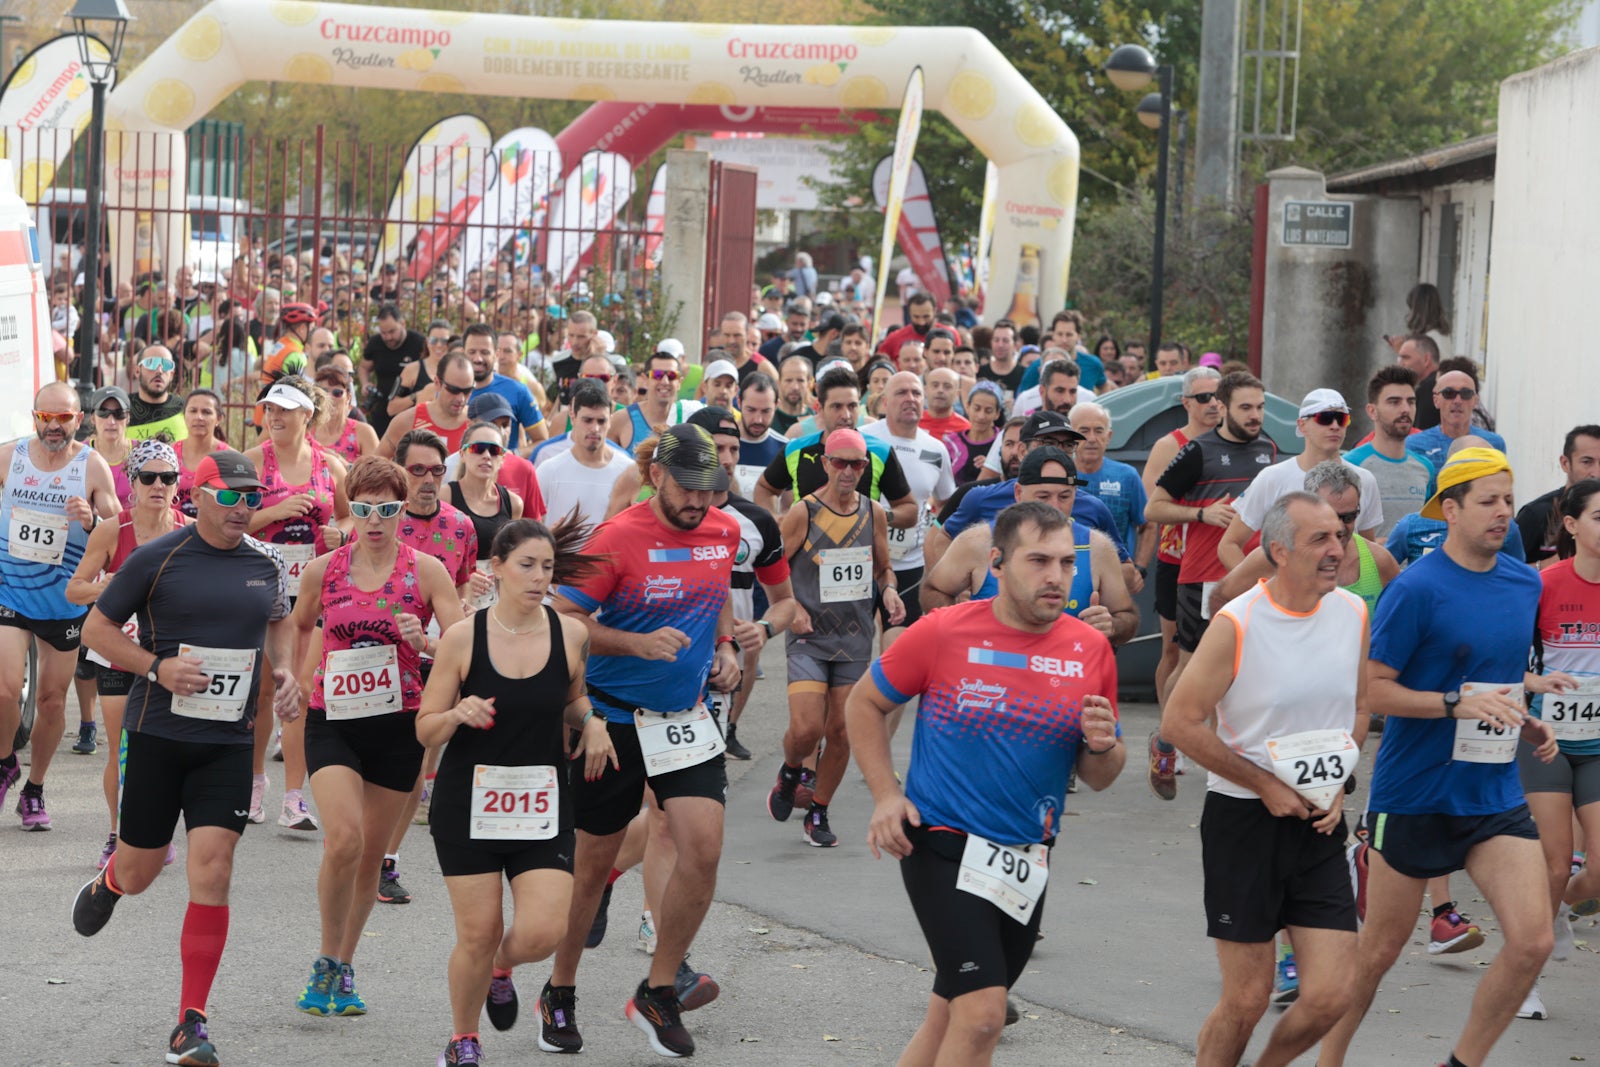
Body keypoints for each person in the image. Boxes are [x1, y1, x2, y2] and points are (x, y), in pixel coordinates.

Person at [846, 501, 1124, 1067]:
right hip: (942, 842)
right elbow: (864, 703)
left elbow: (1099, 775)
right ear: (997, 563)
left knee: (948, 1017)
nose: (1057, 576)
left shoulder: (1089, 648)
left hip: (1025, 856)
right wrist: (886, 795)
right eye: (1039, 561)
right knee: (983, 1017)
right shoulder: (944, 631)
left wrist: (1102, 746)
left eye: (1067, 563)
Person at [1317, 448, 1563, 1066]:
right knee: (1378, 954)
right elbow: (1374, 689)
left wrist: (1523, 717)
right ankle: (1327, 1060)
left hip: (1493, 793)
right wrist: (1455, 704)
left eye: (1508, 500)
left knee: (1533, 940)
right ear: (1449, 510)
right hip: (1415, 794)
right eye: (1488, 501)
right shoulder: (1417, 588)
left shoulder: (1524, 583)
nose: (1503, 512)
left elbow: (1495, 675)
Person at [73, 449, 302, 1067]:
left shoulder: (266, 564)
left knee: (214, 866)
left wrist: (284, 671)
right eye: (228, 496)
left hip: (227, 743)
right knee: (141, 872)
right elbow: (95, 631)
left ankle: (191, 1021)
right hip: (158, 735)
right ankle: (111, 881)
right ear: (196, 497)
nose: (242, 507)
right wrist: (157, 667)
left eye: (250, 497)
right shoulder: (156, 558)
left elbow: (279, 622)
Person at [542, 424, 744, 1058]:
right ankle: (560, 988)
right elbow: (563, 619)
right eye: (687, 488)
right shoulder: (616, 538)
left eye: (708, 489)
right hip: (612, 721)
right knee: (591, 869)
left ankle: (658, 991)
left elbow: (716, 595)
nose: (698, 501)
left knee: (703, 850)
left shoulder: (724, 531)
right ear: (656, 476)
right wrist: (635, 643)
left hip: (684, 719)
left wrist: (727, 646)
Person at [1163, 492, 1367, 1067]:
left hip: (1319, 820)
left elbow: (1358, 707)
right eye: (1320, 539)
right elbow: (1180, 722)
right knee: (1248, 998)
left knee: (1332, 994)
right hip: (1245, 821)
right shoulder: (1239, 621)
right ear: (1279, 551)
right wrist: (1266, 786)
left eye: (1340, 535)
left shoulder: (1353, 612)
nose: (1337, 549)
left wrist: (1339, 779)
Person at [418, 516, 614, 1067]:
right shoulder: (464, 637)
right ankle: (463, 1039)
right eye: (527, 565)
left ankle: (499, 969)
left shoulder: (570, 634)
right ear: (498, 567)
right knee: (477, 933)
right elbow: (425, 728)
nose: (538, 577)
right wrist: (456, 714)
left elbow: (570, 699)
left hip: (541, 805)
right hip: (469, 806)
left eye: (547, 567)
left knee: (544, 932)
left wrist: (591, 721)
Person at [289, 457, 464, 1017]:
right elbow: (301, 626)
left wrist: (425, 642)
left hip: (398, 726)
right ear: (351, 508)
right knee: (344, 839)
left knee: (368, 860)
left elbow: (463, 645)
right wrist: (294, 681)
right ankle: (324, 958)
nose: (373, 521)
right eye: (363, 509)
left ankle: (344, 965)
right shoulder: (324, 570)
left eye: (386, 509)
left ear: (402, 508)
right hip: (333, 721)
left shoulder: (427, 571)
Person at [1144, 372, 1278, 801]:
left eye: (1260, 407)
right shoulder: (1197, 452)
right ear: (1222, 407)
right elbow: (1154, 507)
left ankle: (1227, 765)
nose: (1255, 415)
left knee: (1244, 671)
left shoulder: (1267, 450)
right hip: (1202, 576)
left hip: (1253, 577)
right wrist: (1201, 515)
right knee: (1191, 668)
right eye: (1245, 407)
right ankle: (1166, 742)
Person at [768, 428, 903, 847]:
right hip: (810, 635)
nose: (848, 471)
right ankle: (791, 770)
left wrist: (890, 590)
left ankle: (819, 811)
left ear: (865, 468)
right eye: (840, 462)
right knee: (807, 728)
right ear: (826, 463)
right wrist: (794, 608)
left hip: (854, 636)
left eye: (857, 464)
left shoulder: (873, 512)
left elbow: (883, 567)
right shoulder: (803, 512)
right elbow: (775, 570)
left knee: (842, 731)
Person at [0, 385, 120, 829]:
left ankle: (34, 789)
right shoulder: (9, 457)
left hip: (63, 600)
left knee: (51, 702)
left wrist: (92, 520)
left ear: (78, 419)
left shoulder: (91, 465)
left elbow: (117, 527)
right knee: (4, 691)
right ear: (34, 417)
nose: (53, 426)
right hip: (10, 592)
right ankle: (5, 761)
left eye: (63, 418)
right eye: (45, 417)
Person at [67, 439, 191, 868]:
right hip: (119, 651)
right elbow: (74, 590)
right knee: (123, 746)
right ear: (132, 483)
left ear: (177, 484)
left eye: (167, 478)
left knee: (166, 749)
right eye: (148, 477)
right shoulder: (112, 531)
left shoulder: (190, 531)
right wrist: (108, 587)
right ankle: (117, 833)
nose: (158, 485)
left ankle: (157, 832)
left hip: (170, 656)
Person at [245, 377, 351, 830]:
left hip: (311, 592)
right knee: (263, 692)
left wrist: (340, 533)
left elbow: (349, 515)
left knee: (300, 692)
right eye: (270, 409)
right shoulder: (253, 462)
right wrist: (275, 512)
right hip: (260, 589)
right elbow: (231, 518)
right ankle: (254, 785)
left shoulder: (330, 465)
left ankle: (293, 798)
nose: (274, 417)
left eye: (284, 410)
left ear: (307, 415)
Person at [922, 447, 1139, 646]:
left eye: (1064, 497)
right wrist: (957, 622)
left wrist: (1111, 626)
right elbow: (933, 590)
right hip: (992, 667)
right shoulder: (978, 541)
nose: (1054, 507)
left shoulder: (1098, 547)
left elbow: (1126, 615)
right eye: (1043, 496)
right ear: (1018, 493)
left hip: (1064, 668)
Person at [1525, 478, 1600, 970]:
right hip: (1545, 743)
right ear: (1571, 525)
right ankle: (1527, 975)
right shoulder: (1544, 585)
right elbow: (1504, 662)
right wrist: (1537, 682)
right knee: (1554, 865)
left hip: (1597, 746)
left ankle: (1560, 909)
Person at [1218, 389, 1382, 570]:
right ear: (1302, 425)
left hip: (1344, 586)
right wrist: (1257, 585)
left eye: (1342, 419)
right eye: (1325, 418)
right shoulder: (1272, 477)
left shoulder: (1364, 479)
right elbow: (1229, 545)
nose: (1335, 426)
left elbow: (1366, 550)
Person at [1141, 367, 1224, 708]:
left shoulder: (1236, 445)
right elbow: (1151, 508)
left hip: (1221, 559)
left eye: (1218, 396)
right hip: (1177, 560)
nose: (1213, 403)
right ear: (1186, 403)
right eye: (1204, 397)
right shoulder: (1168, 446)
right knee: (1174, 649)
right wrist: (1201, 512)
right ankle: (1167, 729)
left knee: (1222, 648)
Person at [755, 365, 917, 530]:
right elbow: (764, 488)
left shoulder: (879, 451)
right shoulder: (796, 449)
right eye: (837, 407)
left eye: (852, 406)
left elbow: (909, 510)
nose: (846, 415)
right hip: (804, 546)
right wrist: (773, 519)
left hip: (860, 546)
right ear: (820, 408)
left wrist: (880, 515)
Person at [863, 372, 956, 648]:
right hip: (861, 559)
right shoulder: (863, 439)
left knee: (898, 647)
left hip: (909, 564)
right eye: (901, 392)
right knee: (855, 646)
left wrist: (933, 541)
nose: (910, 398)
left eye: (916, 393)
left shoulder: (935, 449)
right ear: (884, 402)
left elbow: (947, 502)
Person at [1344, 367, 1436, 538]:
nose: (1405, 409)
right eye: (1394, 402)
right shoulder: (1350, 465)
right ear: (1372, 411)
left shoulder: (1425, 468)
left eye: (1411, 402)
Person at [536, 382, 635, 530]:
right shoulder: (549, 470)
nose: (595, 428)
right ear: (573, 418)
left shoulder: (628, 470)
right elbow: (531, 528)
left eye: (601, 421)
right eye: (587, 420)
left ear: (610, 421)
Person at [451, 422, 526, 609]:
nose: (486, 456)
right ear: (462, 454)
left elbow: (512, 557)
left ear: (502, 458)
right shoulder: (446, 497)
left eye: (494, 450)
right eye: (478, 448)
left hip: (496, 604)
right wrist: (463, 577)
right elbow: (429, 553)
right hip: (454, 600)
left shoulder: (513, 503)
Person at [1070, 400, 1151, 566]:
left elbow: (1148, 525)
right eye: (1084, 431)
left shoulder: (1126, 476)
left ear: (1109, 436)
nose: (1091, 438)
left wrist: (1139, 568)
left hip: (1115, 572)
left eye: (1099, 431)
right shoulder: (1058, 475)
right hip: (1069, 571)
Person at [1515, 425, 1600, 565]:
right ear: (1565, 463)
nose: (1596, 473)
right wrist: (1550, 565)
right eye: (1587, 462)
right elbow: (1505, 571)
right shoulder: (1536, 514)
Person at [463, 323, 547, 451]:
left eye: (485, 352)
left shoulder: (518, 391)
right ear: (463, 353)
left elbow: (542, 440)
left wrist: (513, 455)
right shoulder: (449, 389)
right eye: (472, 352)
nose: (477, 358)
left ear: (496, 354)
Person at [1407, 361, 1504, 470]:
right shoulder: (1414, 445)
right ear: (1436, 400)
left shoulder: (1494, 443)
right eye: (1449, 393)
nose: (1457, 401)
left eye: (1466, 393)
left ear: (1475, 401)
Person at [379, 351, 476, 458]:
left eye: (467, 391)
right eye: (453, 390)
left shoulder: (475, 425)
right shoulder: (408, 421)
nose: (461, 398)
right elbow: (376, 462)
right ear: (437, 383)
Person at [610, 349, 702, 452]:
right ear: (646, 380)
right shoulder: (622, 420)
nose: (665, 381)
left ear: (679, 382)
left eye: (671, 376)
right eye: (657, 375)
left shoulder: (690, 418)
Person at [359, 304, 429, 436]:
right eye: (383, 333)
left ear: (402, 323)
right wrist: (365, 383)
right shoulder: (376, 343)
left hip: (411, 412)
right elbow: (364, 367)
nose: (388, 337)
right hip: (382, 410)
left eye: (392, 331)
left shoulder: (418, 343)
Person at [175, 389, 229, 519]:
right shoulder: (169, 454)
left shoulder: (229, 458)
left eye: (206, 412)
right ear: (184, 415)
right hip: (173, 529)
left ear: (219, 418)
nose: (199, 417)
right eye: (193, 411)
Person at [313, 363, 381, 465]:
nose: (329, 397)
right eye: (324, 392)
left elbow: (376, 472)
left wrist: (341, 463)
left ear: (348, 398)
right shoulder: (305, 431)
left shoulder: (364, 432)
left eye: (337, 392)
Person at [387, 318, 453, 421]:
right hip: (420, 427)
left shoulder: (457, 370)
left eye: (444, 341)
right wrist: (418, 395)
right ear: (427, 341)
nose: (439, 345)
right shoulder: (413, 369)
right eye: (434, 340)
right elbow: (391, 408)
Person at [734, 373, 787, 496]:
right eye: (751, 410)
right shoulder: (721, 444)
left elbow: (788, 504)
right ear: (739, 402)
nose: (758, 419)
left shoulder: (785, 449)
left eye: (765, 411)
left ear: (776, 405)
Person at [946, 382, 1004, 486]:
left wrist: (993, 467)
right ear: (967, 407)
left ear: (997, 414)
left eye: (988, 411)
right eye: (977, 408)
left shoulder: (1004, 442)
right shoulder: (952, 442)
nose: (981, 416)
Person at [126, 346, 189, 442]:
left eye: (166, 365)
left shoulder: (186, 409)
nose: (159, 370)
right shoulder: (122, 409)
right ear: (137, 371)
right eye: (151, 363)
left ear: (171, 375)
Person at [1396, 334, 1443, 431]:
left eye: (1405, 357)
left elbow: (1421, 433)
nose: (1400, 363)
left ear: (1426, 359)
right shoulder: (1439, 384)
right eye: (1399, 358)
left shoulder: (1428, 389)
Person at [772, 354, 814, 435]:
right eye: (788, 380)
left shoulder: (817, 422)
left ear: (809, 383)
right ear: (779, 383)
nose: (795, 387)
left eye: (800, 380)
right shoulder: (768, 420)